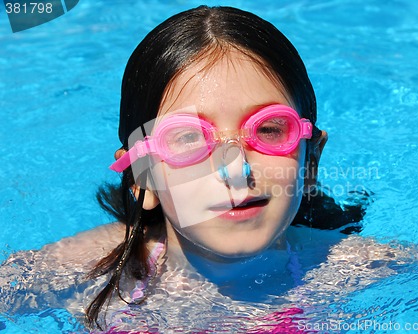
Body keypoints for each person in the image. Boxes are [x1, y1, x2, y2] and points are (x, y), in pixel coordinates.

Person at [1, 6, 374, 332]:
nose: (235, 170)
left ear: (310, 161)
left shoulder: (360, 273)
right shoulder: (76, 273)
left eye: (268, 130)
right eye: (188, 138)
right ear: (143, 174)